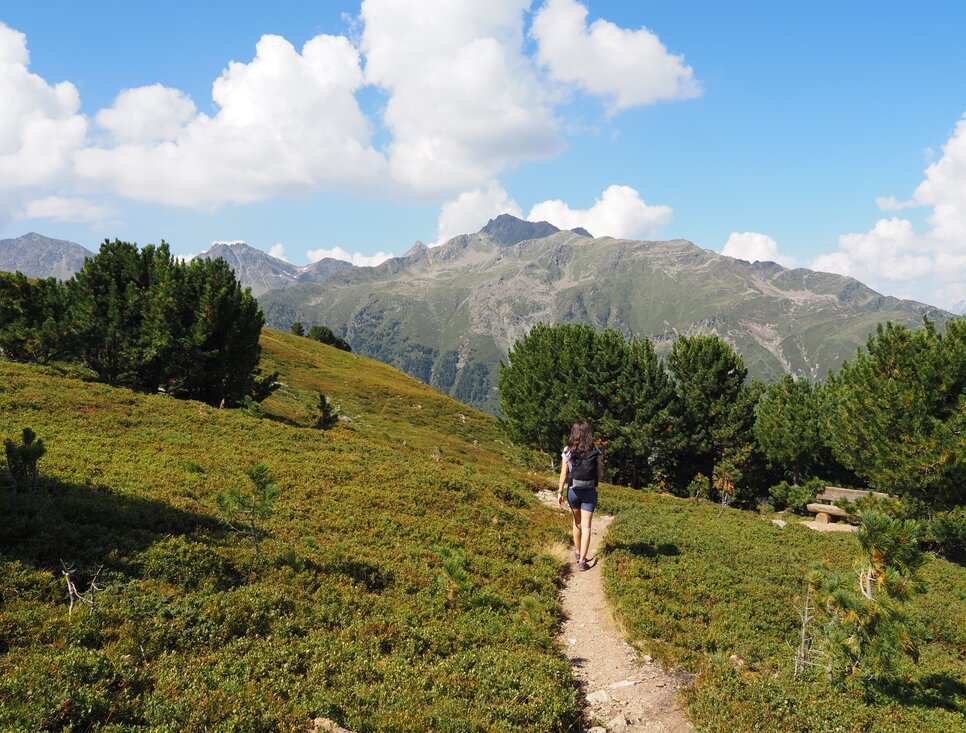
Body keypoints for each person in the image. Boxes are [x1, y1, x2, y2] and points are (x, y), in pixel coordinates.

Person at [557, 419, 604, 571]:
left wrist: (559, 492)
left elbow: (564, 474)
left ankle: (577, 552)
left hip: (573, 491)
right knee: (587, 526)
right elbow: (598, 472)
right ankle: (583, 561)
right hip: (589, 492)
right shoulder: (594, 449)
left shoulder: (568, 450)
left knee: (577, 522)